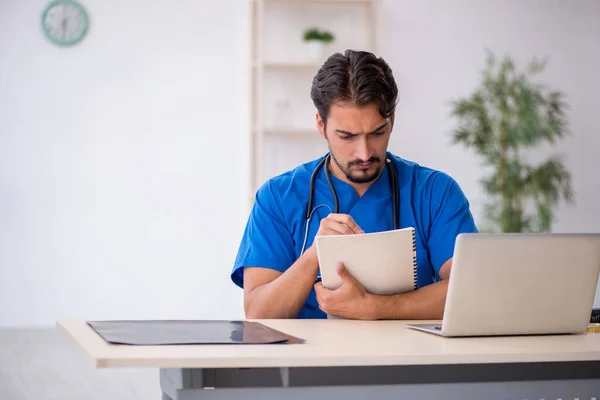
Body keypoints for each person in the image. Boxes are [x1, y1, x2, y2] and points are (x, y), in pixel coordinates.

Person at [231, 49, 478, 320]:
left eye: (377, 133)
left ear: (391, 120)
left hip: (409, 359)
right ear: (321, 125)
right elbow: (258, 312)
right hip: (310, 360)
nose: (363, 153)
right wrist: (315, 255)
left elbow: (470, 291)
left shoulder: (435, 192)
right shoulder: (278, 197)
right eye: (346, 136)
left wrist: (375, 308)